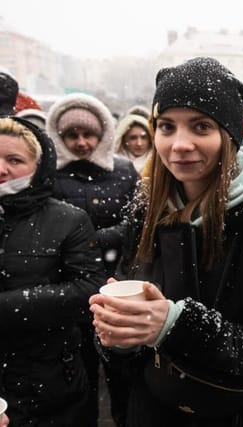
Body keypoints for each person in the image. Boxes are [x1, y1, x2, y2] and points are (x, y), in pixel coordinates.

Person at [89, 57, 243, 426]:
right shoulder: (146, 208)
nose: (180, 144)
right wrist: (122, 338)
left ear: (229, 134)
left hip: (241, 414)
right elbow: (126, 345)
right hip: (153, 411)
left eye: (201, 127)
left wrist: (175, 325)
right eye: (166, 127)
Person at [0, 116, 104, 425]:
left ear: (38, 167)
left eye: (14, 160)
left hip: (52, 381)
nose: (1, 170)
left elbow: (90, 289)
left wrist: (8, 306)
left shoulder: (68, 220)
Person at [46, 92, 139, 426]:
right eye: (72, 135)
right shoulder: (51, 175)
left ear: (103, 134)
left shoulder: (125, 171)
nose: (82, 142)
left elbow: (136, 221)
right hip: (70, 286)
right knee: (79, 373)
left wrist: (90, 241)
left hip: (117, 283)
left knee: (122, 369)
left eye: (89, 134)